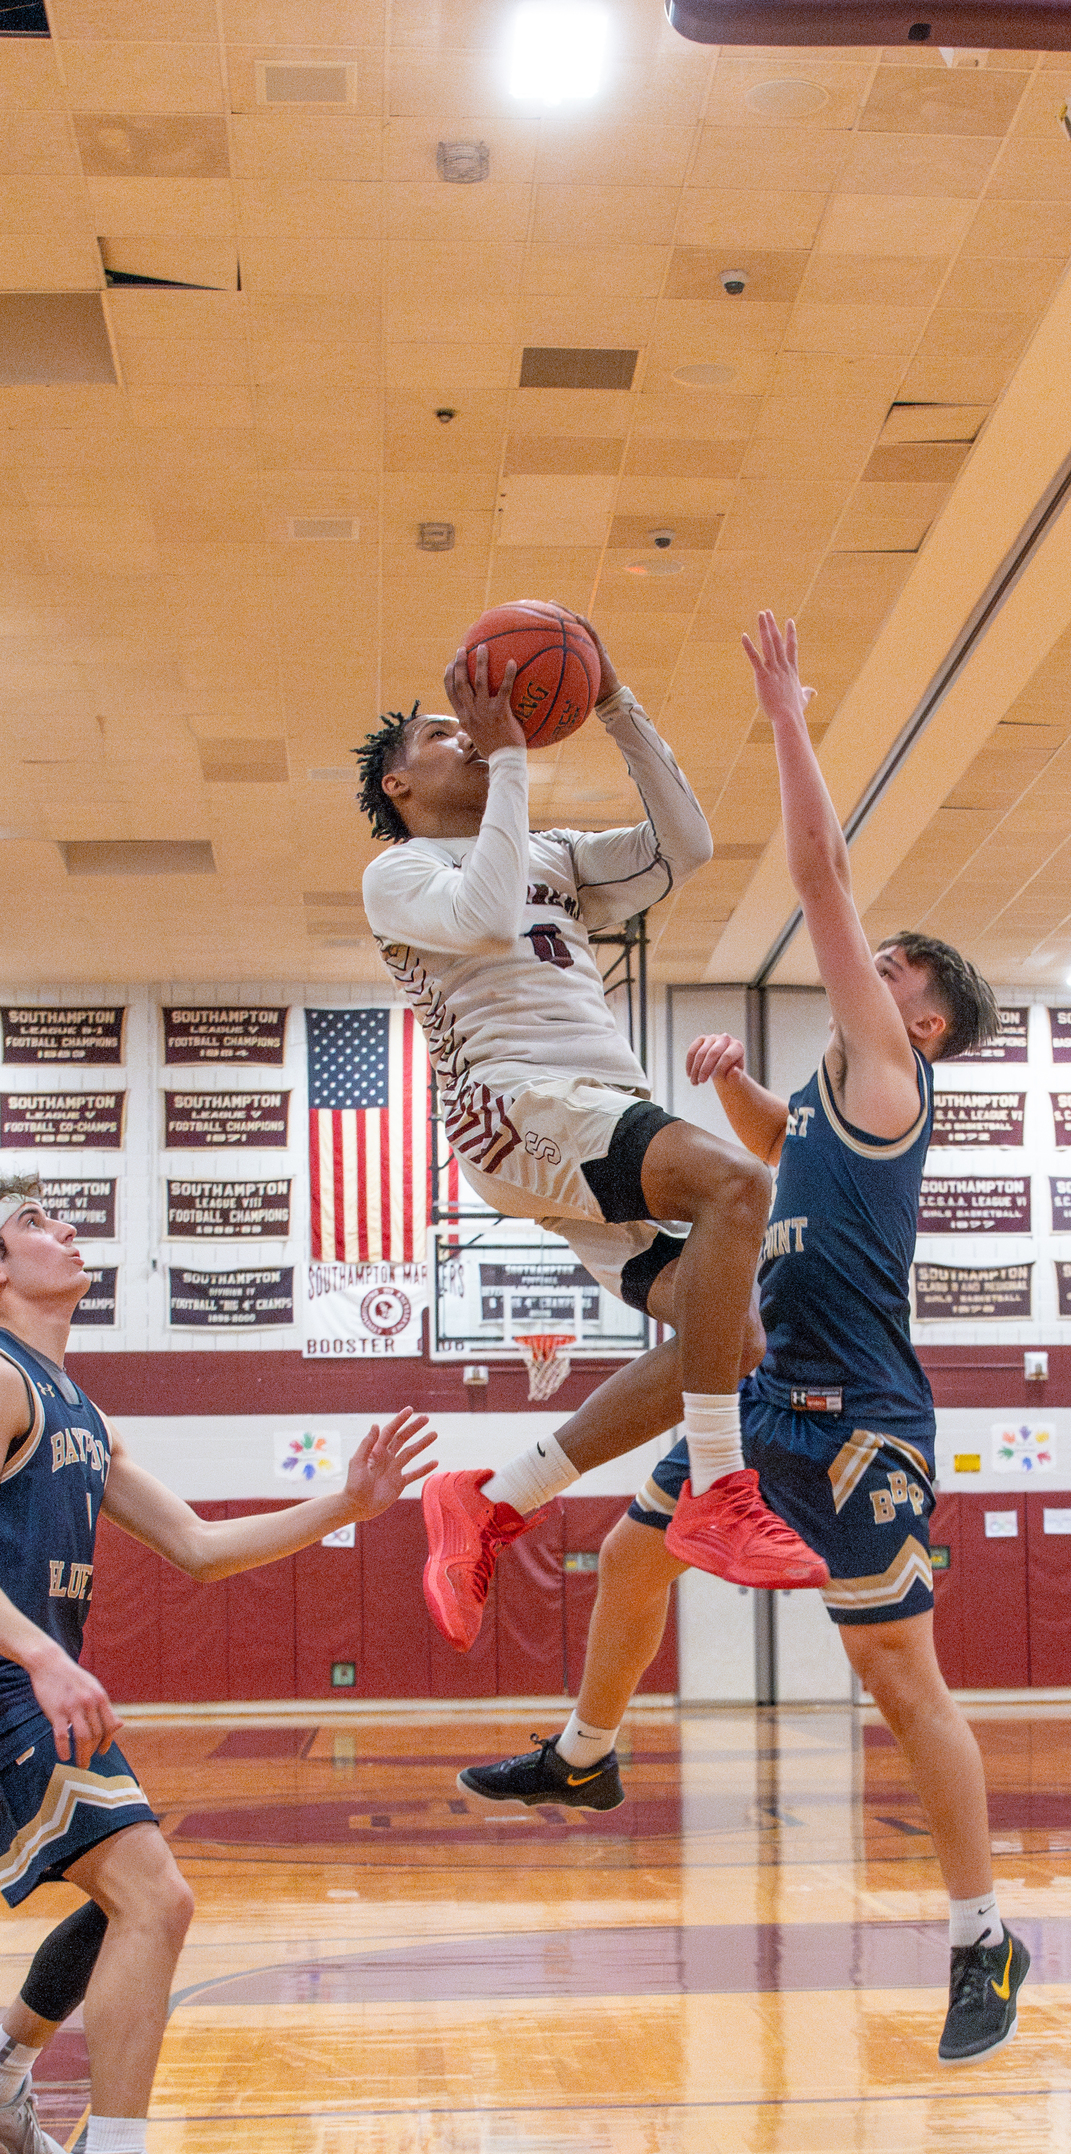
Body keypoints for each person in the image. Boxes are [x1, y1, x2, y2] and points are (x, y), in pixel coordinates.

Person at [454, 610, 1030, 2066]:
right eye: (880, 962)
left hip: (858, 1418)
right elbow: (783, 1167)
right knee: (637, 1553)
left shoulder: (893, 1072)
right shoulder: (837, 1107)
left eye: (899, 969)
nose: (876, 963)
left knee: (904, 1690)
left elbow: (820, 874)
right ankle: (584, 1756)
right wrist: (733, 1093)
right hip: (772, 1398)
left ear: (927, 1021)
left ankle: (984, 1934)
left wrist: (786, 713)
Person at [357, 617, 825, 1635]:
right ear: (399, 786)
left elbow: (684, 848)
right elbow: (482, 913)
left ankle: (495, 1498)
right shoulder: (398, 874)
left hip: (585, 1113)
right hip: (517, 1106)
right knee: (740, 1184)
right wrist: (515, 756)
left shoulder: (554, 855)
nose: (465, 737)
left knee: (732, 1336)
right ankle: (718, 1490)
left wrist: (614, 702)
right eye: (441, 735)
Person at [0, 1178, 435, 2154]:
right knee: (153, 1899)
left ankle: (8, 2068)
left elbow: (197, 1546)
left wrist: (346, 1506)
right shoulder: (3, 1378)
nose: (65, 1229)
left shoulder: (78, 1408)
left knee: (136, 1901)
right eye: (31, 1222)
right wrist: (38, 1652)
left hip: (29, 1687)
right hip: (14, 1682)